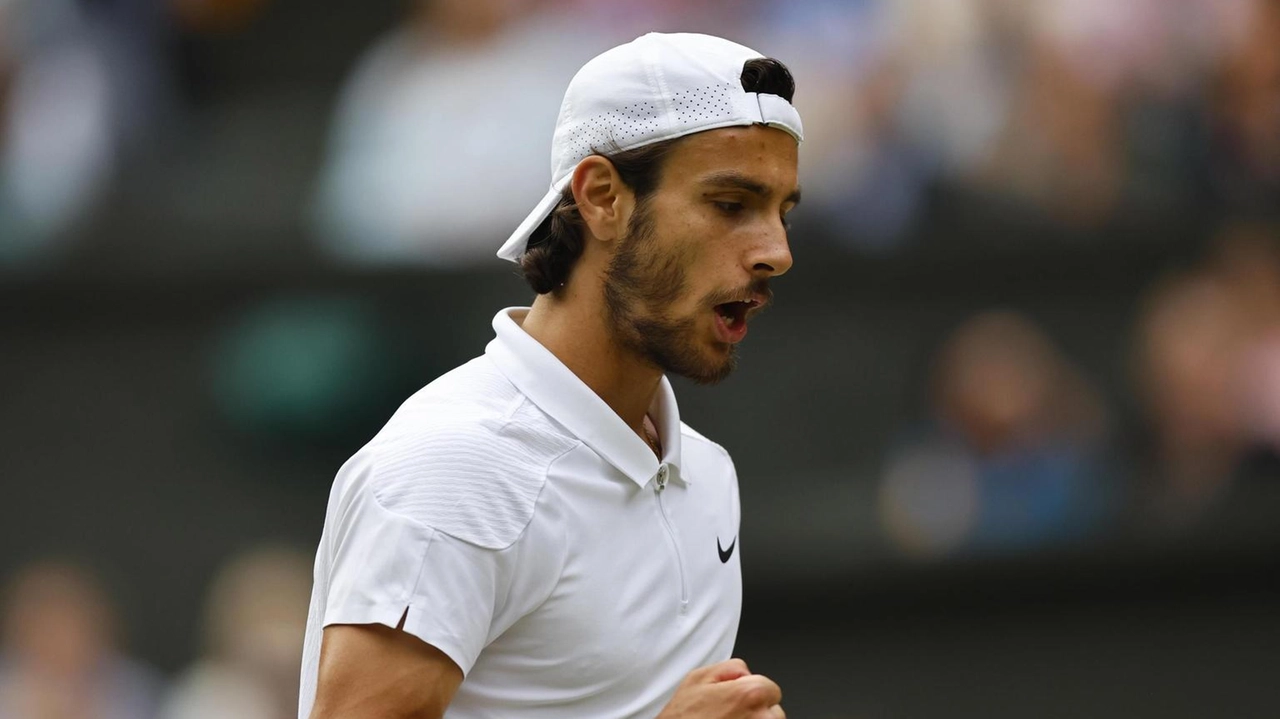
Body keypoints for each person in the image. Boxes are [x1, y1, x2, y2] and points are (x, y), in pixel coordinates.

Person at [298, 32, 802, 719]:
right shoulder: (453, 470)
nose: (777, 251)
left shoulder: (707, 475)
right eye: (730, 204)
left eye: (782, 211)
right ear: (601, 197)